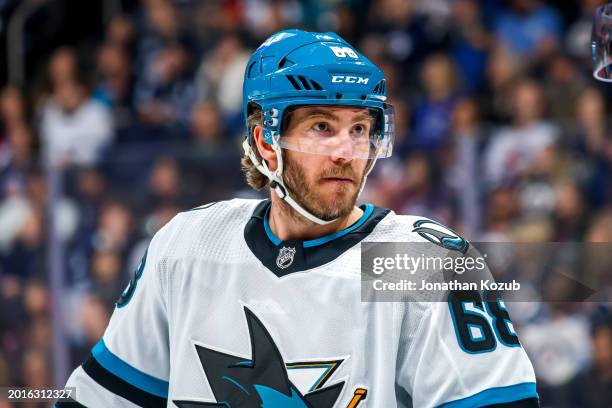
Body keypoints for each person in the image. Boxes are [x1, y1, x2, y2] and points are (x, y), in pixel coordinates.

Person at [58, 30, 538, 407]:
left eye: (360, 129)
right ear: (266, 141)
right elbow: (102, 399)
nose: (347, 152)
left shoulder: (422, 262)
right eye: (322, 127)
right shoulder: (187, 244)